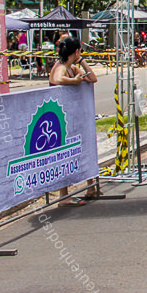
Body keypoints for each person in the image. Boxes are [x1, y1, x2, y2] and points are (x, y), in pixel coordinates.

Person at [49, 36, 98, 206]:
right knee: (65, 154)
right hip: (61, 120)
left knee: (83, 150)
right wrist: (74, 81)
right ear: (76, 51)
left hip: (75, 118)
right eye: (80, 51)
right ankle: (64, 196)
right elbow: (56, 79)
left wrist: (82, 62)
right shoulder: (61, 66)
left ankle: (91, 185)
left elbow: (92, 78)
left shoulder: (72, 67)